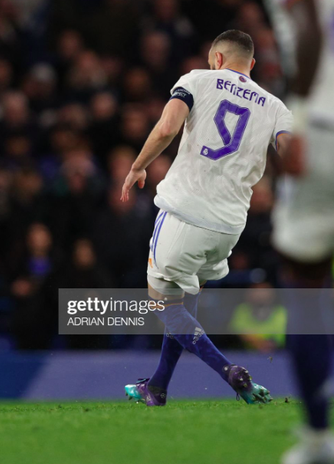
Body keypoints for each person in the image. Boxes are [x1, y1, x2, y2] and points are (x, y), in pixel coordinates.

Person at [120, 30, 292, 406]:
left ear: (216, 58)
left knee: (162, 303)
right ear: (252, 65)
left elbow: (167, 128)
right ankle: (158, 386)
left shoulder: (196, 79)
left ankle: (229, 371)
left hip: (185, 212)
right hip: (229, 226)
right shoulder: (275, 106)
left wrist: (138, 166)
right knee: (184, 299)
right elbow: (291, 154)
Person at [268, 0, 334, 462]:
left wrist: (299, 115)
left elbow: (309, 26)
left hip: (323, 129)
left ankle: (316, 437)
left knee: (306, 289)